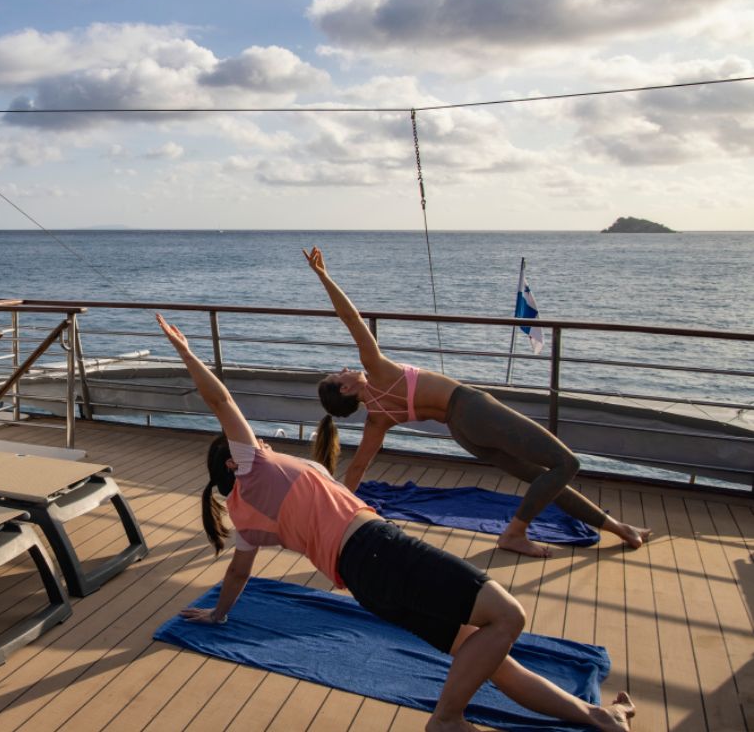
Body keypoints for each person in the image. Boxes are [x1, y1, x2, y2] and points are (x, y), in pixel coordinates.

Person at [156, 314, 635, 732]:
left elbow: (239, 572)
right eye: (252, 444)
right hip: (378, 550)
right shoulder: (254, 467)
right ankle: (445, 720)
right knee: (509, 616)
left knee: (488, 655)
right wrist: (186, 351)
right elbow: (220, 402)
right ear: (234, 463)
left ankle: (597, 718)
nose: (262, 443)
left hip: (367, 582)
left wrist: (220, 614)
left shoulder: (244, 514)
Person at [304, 247, 650, 558]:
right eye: (340, 374)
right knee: (566, 463)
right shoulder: (376, 370)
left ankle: (620, 529)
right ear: (347, 390)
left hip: (463, 433)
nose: (345, 368)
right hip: (470, 409)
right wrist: (324, 276)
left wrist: (330, 515)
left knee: (545, 478)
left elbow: (357, 472)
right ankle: (515, 533)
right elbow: (350, 318)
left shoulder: (376, 420)